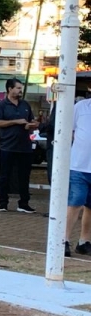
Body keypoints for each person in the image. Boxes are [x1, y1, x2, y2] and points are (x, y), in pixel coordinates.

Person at [0, 78, 37, 214]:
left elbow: (30, 121)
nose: (20, 91)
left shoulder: (25, 105)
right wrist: (16, 121)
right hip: (7, 146)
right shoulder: (1, 105)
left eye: (21, 88)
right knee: (5, 175)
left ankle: (24, 203)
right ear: (9, 89)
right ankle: (3, 203)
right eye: (18, 88)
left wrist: (32, 125)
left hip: (25, 146)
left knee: (24, 176)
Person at [67, 96, 91, 256]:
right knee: (75, 202)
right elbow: (69, 130)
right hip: (79, 165)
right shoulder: (81, 107)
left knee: (90, 206)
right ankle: (63, 240)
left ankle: (84, 241)